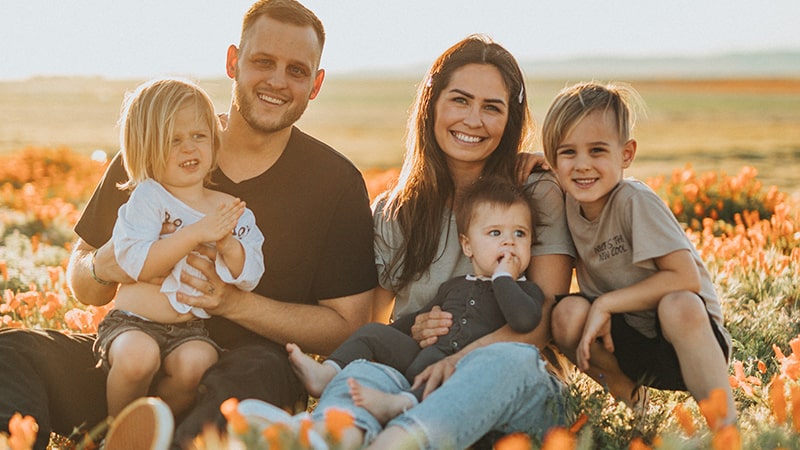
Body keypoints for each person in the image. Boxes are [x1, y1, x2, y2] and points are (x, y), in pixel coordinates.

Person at [0, 1, 377, 448]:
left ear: (315, 85)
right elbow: (83, 279)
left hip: (239, 373)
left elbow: (348, 328)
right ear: (233, 62)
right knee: (12, 351)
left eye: (296, 70)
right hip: (131, 358)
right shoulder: (162, 147)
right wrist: (107, 265)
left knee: (258, 372)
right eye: (263, 62)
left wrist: (232, 303)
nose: (277, 80)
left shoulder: (334, 183)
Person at [268, 35, 573, 450]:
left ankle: (396, 443)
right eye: (460, 100)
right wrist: (416, 327)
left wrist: (455, 360)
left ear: (511, 120)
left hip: (512, 388)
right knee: (364, 372)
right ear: (432, 104)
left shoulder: (535, 193)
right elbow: (374, 322)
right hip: (414, 381)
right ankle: (331, 437)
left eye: (492, 108)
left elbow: (542, 325)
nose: (473, 120)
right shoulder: (398, 209)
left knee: (507, 360)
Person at [544, 81, 736, 425]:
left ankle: (725, 428)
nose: (582, 165)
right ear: (553, 160)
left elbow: (685, 278)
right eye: (568, 152)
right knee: (566, 313)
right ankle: (635, 409)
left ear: (627, 154)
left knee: (678, 304)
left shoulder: (634, 201)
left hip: (686, 340)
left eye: (598, 151)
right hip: (628, 344)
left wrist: (606, 303)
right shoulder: (567, 205)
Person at [287, 177, 545, 424]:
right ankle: (327, 373)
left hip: (464, 370)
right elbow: (416, 319)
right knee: (372, 333)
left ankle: (401, 403)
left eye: (520, 234)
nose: (509, 242)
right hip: (422, 356)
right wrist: (395, 334)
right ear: (468, 246)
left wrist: (503, 279)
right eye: (495, 233)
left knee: (444, 376)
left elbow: (523, 320)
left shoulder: (527, 292)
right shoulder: (454, 286)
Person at [95, 77, 266, 419]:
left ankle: (156, 431)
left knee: (198, 363)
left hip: (190, 330)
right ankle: (116, 434)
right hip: (132, 322)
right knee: (137, 358)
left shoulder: (230, 208)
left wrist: (227, 245)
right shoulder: (147, 198)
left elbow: (250, 275)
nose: (189, 149)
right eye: (173, 141)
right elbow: (137, 264)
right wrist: (195, 233)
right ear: (146, 148)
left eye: (198, 137)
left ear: (214, 142)